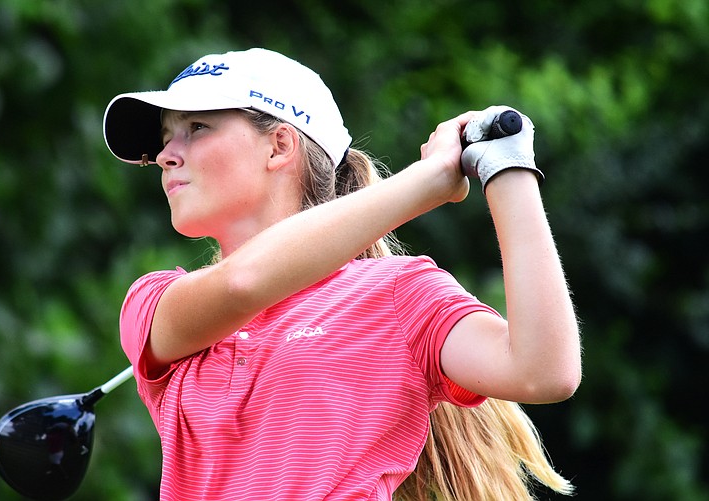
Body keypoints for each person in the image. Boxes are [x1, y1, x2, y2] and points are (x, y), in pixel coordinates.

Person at [103, 47, 581, 500]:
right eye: (166, 139)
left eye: (197, 128)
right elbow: (242, 283)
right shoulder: (152, 301)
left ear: (279, 145)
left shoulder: (399, 294)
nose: (167, 155)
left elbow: (544, 372)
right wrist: (426, 181)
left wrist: (508, 168)